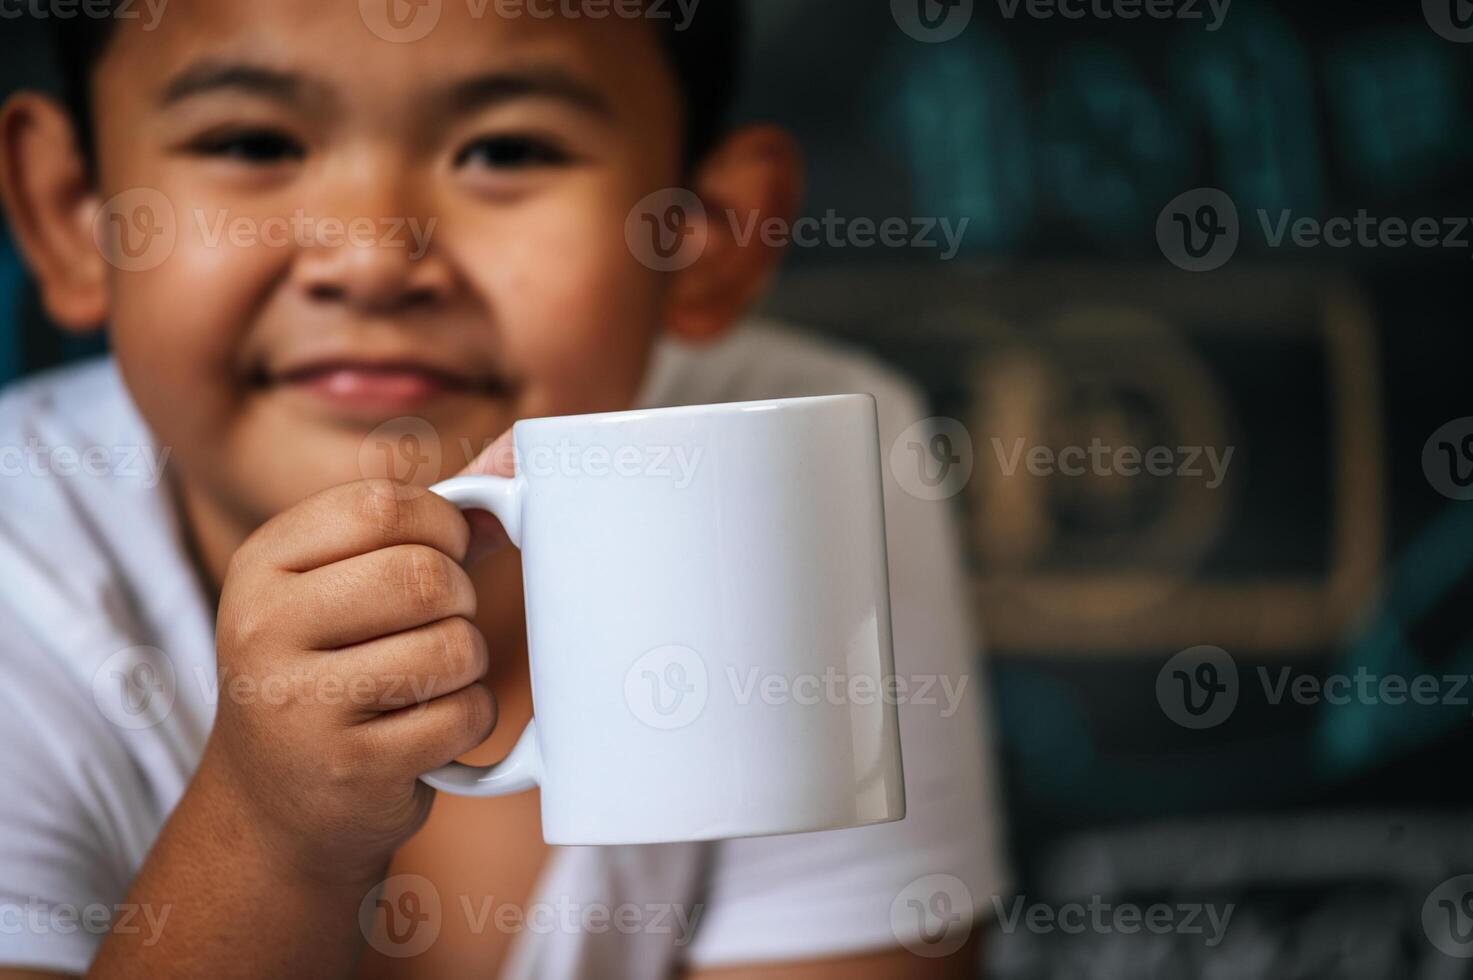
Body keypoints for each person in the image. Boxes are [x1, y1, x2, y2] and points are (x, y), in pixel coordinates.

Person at [0, 1, 1006, 976]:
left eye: (507, 151)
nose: (374, 260)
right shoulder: (21, 556)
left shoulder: (803, 453)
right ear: (67, 215)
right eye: (253, 142)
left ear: (707, 233)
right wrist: (274, 836)